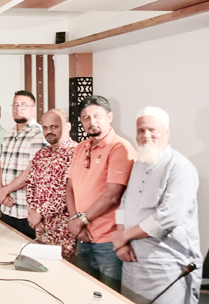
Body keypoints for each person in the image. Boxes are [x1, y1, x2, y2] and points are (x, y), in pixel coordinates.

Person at [114, 107, 202, 304]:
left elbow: (168, 218)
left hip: (167, 264)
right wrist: (121, 240)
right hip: (132, 259)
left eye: (152, 130)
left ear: (167, 132)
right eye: (141, 130)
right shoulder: (139, 164)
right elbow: (124, 204)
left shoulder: (180, 167)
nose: (146, 135)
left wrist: (125, 235)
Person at [66, 95, 136, 291]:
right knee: (83, 292)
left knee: (109, 295)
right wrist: (75, 221)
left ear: (109, 117)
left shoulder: (119, 147)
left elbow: (113, 196)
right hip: (83, 235)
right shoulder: (81, 147)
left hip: (108, 241)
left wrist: (80, 220)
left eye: (97, 116)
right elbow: (70, 187)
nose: (92, 121)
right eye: (86, 118)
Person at [0, 91, 48, 239]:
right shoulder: (8, 133)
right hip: (7, 207)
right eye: (15, 105)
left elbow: (32, 170)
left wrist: (4, 191)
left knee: (28, 251)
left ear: (33, 109)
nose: (19, 108)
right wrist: (0, 191)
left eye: (24, 105)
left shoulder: (39, 133)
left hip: (27, 211)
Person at [25, 109, 77, 259]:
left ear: (67, 126)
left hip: (63, 230)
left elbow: (67, 192)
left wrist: (40, 213)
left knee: (63, 270)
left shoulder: (76, 152)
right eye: (45, 127)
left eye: (54, 127)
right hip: (39, 227)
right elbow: (30, 185)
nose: (49, 131)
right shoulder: (41, 154)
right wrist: (33, 214)